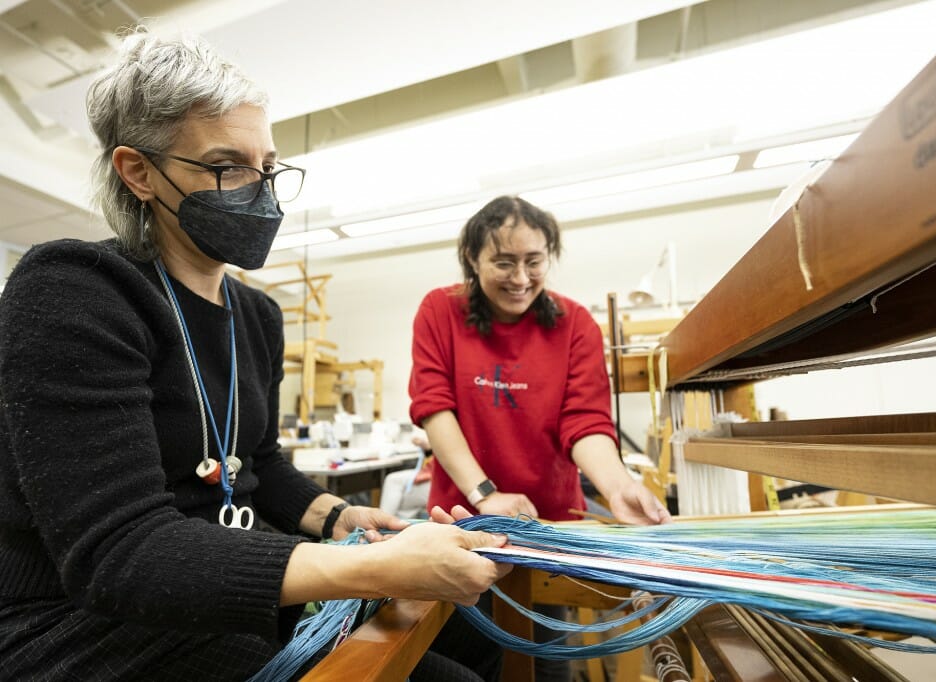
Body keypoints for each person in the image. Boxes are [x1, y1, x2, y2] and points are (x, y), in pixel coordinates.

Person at [0, 30, 508, 681]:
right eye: (227, 166)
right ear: (140, 172)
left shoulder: (256, 316)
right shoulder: (73, 290)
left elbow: (257, 460)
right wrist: (379, 566)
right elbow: (120, 552)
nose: (260, 189)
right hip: (73, 618)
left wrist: (341, 517)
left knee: (469, 634)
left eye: (266, 165)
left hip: (202, 584)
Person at [408, 195, 671, 681]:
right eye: (503, 263)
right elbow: (434, 408)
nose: (521, 279)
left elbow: (586, 422)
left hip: (545, 530)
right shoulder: (440, 311)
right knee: (472, 661)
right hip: (463, 523)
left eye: (534, 262)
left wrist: (617, 487)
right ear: (473, 259)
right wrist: (484, 494)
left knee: (546, 661)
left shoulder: (574, 325)